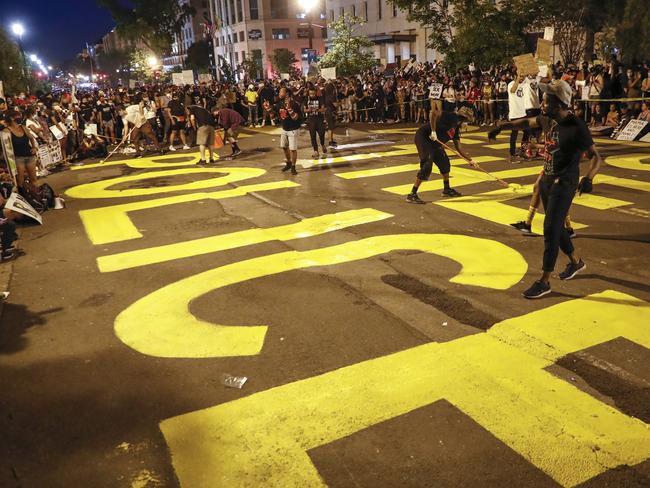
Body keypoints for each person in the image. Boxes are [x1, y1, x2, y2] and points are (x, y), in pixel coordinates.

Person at [488, 80, 602, 299]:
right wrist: (502, 126)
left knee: (550, 229)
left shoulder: (577, 127)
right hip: (547, 181)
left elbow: (597, 157)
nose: (542, 102)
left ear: (559, 103)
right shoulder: (547, 119)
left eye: (546, 99)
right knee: (556, 227)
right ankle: (576, 262)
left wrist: (589, 178)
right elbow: (524, 122)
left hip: (564, 183)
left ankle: (544, 281)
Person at [406, 105, 477, 203]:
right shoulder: (451, 116)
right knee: (427, 165)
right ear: (463, 119)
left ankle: (446, 189)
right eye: (467, 122)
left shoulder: (455, 129)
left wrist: (470, 160)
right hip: (424, 138)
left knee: (445, 163)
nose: (467, 125)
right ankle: (412, 194)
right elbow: (433, 113)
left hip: (435, 143)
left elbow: (458, 147)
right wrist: (433, 131)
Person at [263, 87, 302, 175]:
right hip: (284, 128)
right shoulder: (279, 104)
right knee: (284, 147)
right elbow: (273, 115)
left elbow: (296, 118)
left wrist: (289, 109)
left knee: (293, 149)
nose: (279, 93)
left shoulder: (294, 104)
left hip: (293, 129)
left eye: (281, 91)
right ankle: (288, 163)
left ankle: (293, 167)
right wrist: (268, 108)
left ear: (287, 94)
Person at [3, 113, 39, 191]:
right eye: (17, 116)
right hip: (18, 157)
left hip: (29, 155)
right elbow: (6, 146)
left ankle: (36, 195)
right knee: (20, 180)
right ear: (12, 118)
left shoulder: (23, 127)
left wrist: (34, 147)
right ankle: (24, 196)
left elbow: (31, 138)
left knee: (34, 179)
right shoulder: (7, 131)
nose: (20, 118)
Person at [304, 86, 327, 159]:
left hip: (319, 119)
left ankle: (323, 145)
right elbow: (304, 110)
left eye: (313, 94)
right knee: (313, 136)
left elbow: (323, 109)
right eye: (310, 94)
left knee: (321, 134)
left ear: (316, 93)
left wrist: (318, 109)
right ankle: (316, 151)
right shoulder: (306, 99)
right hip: (311, 120)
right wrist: (309, 110)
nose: (312, 95)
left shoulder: (320, 99)